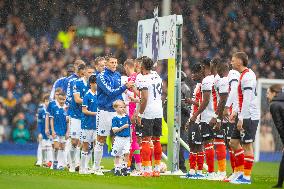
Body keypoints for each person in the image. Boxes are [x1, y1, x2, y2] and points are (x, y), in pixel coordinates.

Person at [93, 54, 133, 175]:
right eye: (112, 62)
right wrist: (124, 87)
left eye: (116, 62)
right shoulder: (100, 77)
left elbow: (118, 94)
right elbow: (110, 92)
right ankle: (96, 167)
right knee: (101, 139)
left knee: (121, 138)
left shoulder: (117, 75)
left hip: (116, 111)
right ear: (106, 64)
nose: (114, 65)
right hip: (104, 111)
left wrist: (123, 107)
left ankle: (119, 167)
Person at [229, 52, 260, 184]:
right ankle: (239, 172)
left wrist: (241, 117)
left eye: (233, 60)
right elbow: (240, 97)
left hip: (249, 116)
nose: (231, 62)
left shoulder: (248, 76)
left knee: (247, 145)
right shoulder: (244, 74)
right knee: (233, 143)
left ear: (240, 62)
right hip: (243, 114)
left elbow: (247, 100)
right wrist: (235, 111)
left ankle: (246, 177)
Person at [189, 58, 216, 180]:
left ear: (204, 67)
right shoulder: (213, 79)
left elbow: (205, 101)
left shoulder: (206, 81)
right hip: (212, 116)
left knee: (207, 144)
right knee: (210, 144)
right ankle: (212, 172)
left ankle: (210, 172)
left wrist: (195, 116)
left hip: (207, 116)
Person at [137, 56, 163, 177]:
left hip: (148, 111)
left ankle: (147, 169)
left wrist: (140, 114)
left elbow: (145, 97)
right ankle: (157, 168)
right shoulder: (156, 75)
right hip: (158, 110)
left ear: (142, 66)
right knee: (157, 140)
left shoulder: (142, 78)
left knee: (145, 140)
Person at [215, 60, 240, 181]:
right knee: (231, 145)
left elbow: (226, 97)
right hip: (231, 115)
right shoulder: (228, 78)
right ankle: (236, 172)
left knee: (233, 145)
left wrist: (225, 110)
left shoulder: (228, 78)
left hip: (232, 115)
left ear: (220, 69)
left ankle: (238, 172)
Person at [183, 63, 205, 179]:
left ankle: (197, 171)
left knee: (196, 145)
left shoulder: (203, 86)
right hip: (194, 118)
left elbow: (203, 104)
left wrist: (191, 101)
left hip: (199, 119)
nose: (192, 75)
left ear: (199, 73)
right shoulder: (198, 86)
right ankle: (194, 171)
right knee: (194, 145)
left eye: (194, 73)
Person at [210, 58, 229, 180]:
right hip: (225, 113)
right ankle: (230, 172)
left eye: (212, 65)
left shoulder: (219, 80)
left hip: (223, 115)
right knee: (225, 143)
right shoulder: (224, 79)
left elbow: (222, 99)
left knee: (220, 141)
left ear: (215, 66)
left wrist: (217, 117)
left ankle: (222, 172)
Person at [68, 63, 87, 172]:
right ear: (82, 73)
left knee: (83, 142)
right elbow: (77, 99)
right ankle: (71, 164)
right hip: (76, 115)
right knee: (74, 142)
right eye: (88, 72)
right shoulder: (76, 83)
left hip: (85, 115)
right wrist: (88, 100)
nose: (90, 74)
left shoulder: (92, 84)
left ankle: (79, 164)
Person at [124, 59, 142, 175]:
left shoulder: (132, 78)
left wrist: (125, 90)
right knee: (138, 140)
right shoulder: (140, 77)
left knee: (132, 140)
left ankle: (133, 166)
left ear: (126, 66)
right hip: (140, 110)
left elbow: (132, 96)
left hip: (132, 110)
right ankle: (136, 166)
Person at [80, 75, 98, 174]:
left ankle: (93, 167)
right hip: (87, 124)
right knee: (86, 146)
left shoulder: (98, 95)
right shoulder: (87, 95)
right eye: (96, 83)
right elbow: (84, 110)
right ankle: (82, 168)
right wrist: (96, 114)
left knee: (96, 145)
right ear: (91, 84)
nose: (97, 85)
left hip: (96, 125)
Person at [267, 84, 284, 188]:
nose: (267, 95)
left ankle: (279, 184)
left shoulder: (274, 105)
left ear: (274, 93)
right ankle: (279, 184)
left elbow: (280, 126)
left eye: (268, 93)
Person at [111, 100, 131, 176]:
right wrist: (122, 127)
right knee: (117, 154)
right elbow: (114, 130)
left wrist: (130, 137)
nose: (123, 108)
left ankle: (124, 167)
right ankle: (117, 169)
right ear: (115, 108)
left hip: (127, 138)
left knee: (127, 152)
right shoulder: (115, 118)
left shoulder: (126, 117)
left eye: (124, 107)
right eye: (120, 107)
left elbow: (130, 126)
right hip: (119, 138)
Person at [50, 92, 69, 170]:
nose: (62, 101)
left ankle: (60, 164)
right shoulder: (54, 107)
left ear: (65, 99)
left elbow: (68, 121)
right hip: (56, 131)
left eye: (63, 99)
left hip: (63, 131)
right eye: (60, 99)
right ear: (58, 99)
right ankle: (54, 161)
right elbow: (52, 119)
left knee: (62, 148)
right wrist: (53, 130)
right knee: (56, 147)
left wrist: (68, 131)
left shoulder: (67, 108)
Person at [36, 94, 53, 167]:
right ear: (44, 102)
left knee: (49, 147)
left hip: (50, 132)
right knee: (41, 146)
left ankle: (49, 161)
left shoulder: (52, 110)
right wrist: (39, 133)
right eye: (46, 101)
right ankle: (39, 161)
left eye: (49, 101)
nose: (47, 103)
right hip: (42, 132)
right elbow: (39, 123)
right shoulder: (41, 111)